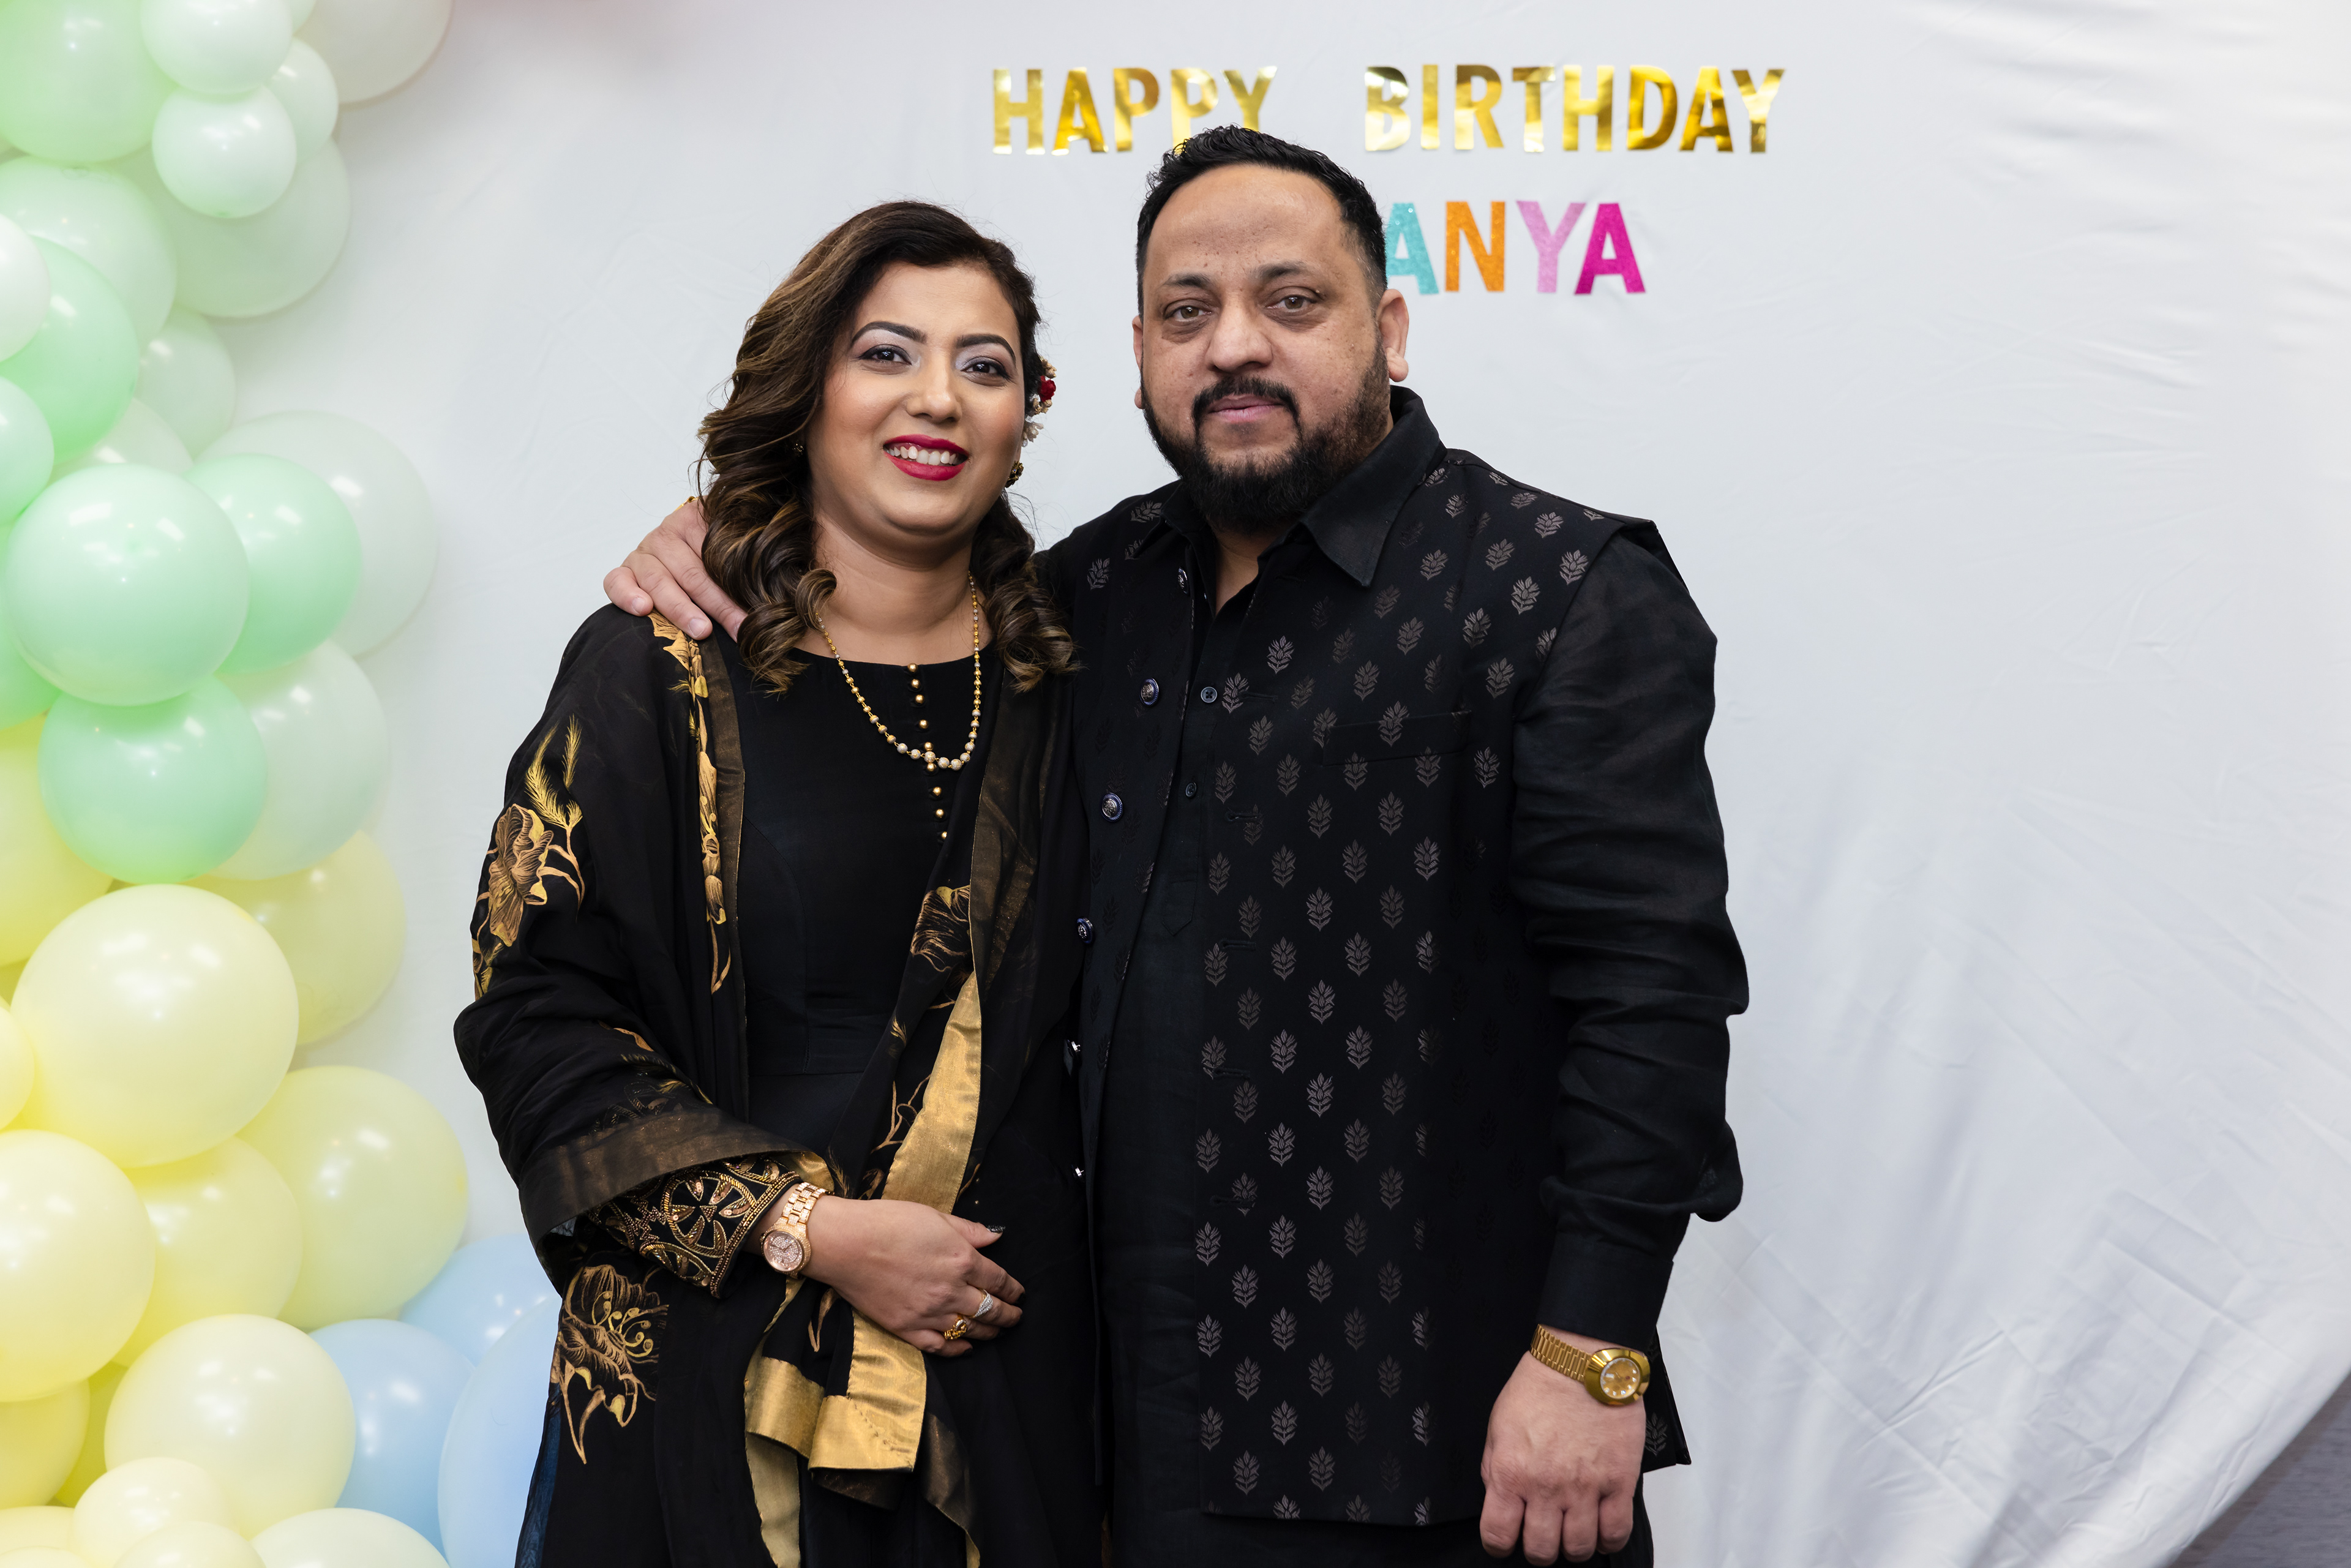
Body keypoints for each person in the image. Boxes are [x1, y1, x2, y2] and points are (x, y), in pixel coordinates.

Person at [609, 129, 1745, 1567]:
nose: (1236, 346)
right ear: (1141, 351)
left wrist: (1591, 1355)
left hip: (1438, 1434)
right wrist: (730, 532)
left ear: (1390, 329)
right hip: (1106, 1442)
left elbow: (1653, 1004)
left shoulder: (1559, 589)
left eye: (1293, 300)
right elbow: (878, 588)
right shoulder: (1086, 593)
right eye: (1188, 312)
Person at [456, 201, 1101, 1567]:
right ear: (807, 390)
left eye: (985, 366)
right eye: (887, 353)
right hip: (719, 1373)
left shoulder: (1085, 670)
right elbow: (535, 1014)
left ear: (1026, 416)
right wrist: (807, 1227)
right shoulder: (659, 670)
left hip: (1013, 1374)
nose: (938, 398)